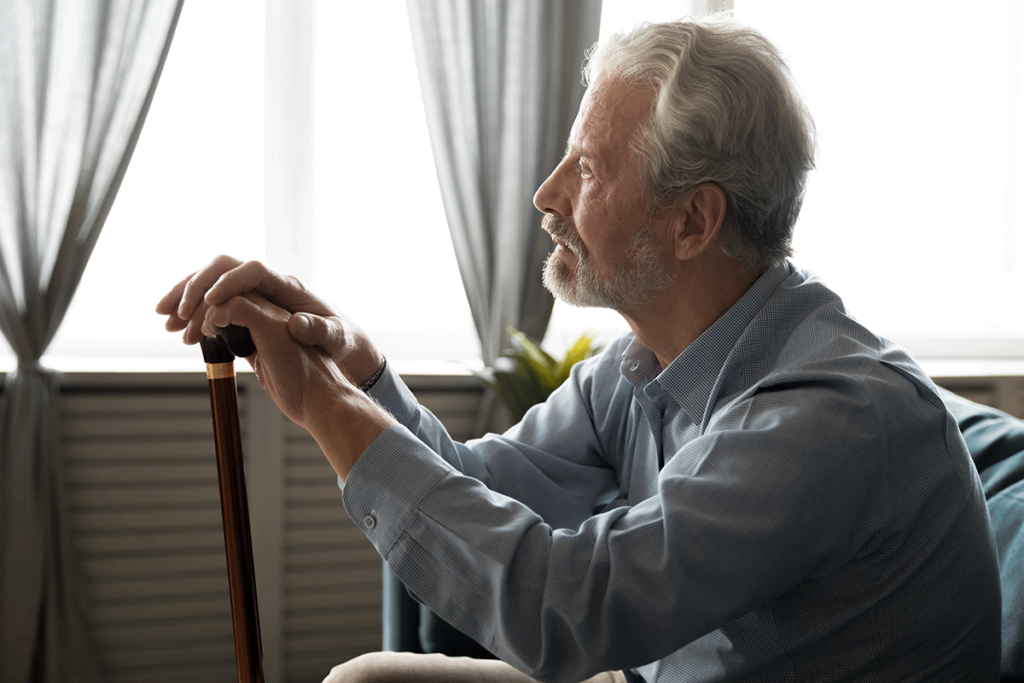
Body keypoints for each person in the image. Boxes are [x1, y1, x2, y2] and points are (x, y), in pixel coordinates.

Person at [157, 14, 1002, 683]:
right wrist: (358, 368)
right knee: (364, 680)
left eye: (588, 171)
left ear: (693, 221)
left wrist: (329, 408)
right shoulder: (640, 367)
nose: (546, 193)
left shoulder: (831, 418)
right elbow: (476, 484)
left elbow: (569, 607)